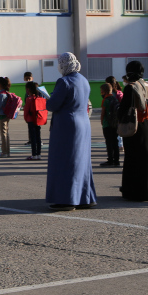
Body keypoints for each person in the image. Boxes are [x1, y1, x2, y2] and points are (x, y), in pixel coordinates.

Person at [46, 53, 97, 210]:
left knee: (65, 161)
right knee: (82, 161)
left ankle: (66, 200)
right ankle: (85, 198)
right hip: (83, 123)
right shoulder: (83, 80)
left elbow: (52, 105)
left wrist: (49, 98)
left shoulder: (64, 81)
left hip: (67, 125)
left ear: (63, 64)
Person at [118, 61, 148, 202]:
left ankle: (132, 191)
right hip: (147, 125)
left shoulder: (131, 87)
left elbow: (123, 109)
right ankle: (146, 192)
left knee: (132, 159)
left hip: (135, 126)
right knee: (145, 159)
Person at [24, 82, 46, 161]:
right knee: (38, 138)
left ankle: (34, 155)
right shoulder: (40, 98)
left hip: (31, 120)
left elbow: (26, 111)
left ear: (28, 89)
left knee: (33, 138)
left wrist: (26, 119)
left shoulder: (29, 99)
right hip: (38, 120)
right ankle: (39, 154)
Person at [99, 83, 120, 167]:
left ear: (104, 91)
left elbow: (103, 113)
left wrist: (102, 121)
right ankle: (116, 160)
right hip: (115, 124)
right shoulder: (115, 99)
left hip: (107, 124)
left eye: (101, 91)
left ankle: (110, 160)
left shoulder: (105, 100)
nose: (101, 93)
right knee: (115, 142)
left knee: (109, 142)